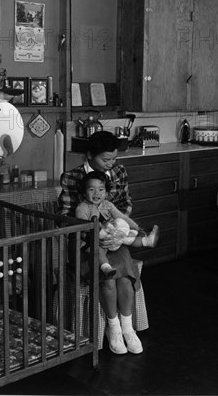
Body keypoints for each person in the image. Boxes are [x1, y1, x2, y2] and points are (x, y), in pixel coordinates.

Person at [59, 131, 156, 355]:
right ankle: (113, 330)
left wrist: (119, 227)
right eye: (105, 160)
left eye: (114, 159)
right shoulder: (71, 178)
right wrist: (93, 232)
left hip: (116, 239)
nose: (110, 164)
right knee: (108, 279)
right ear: (90, 155)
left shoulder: (119, 171)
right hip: (86, 242)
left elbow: (125, 202)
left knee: (125, 278)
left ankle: (127, 329)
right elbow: (63, 215)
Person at [75, 171, 159, 279]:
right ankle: (106, 268)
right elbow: (82, 222)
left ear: (106, 193)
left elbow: (122, 217)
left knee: (128, 236)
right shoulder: (82, 207)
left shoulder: (108, 205)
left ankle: (147, 241)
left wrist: (136, 227)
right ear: (84, 193)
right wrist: (100, 226)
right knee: (98, 251)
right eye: (91, 190)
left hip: (111, 237)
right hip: (91, 240)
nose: (96, 193)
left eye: (101, 190)